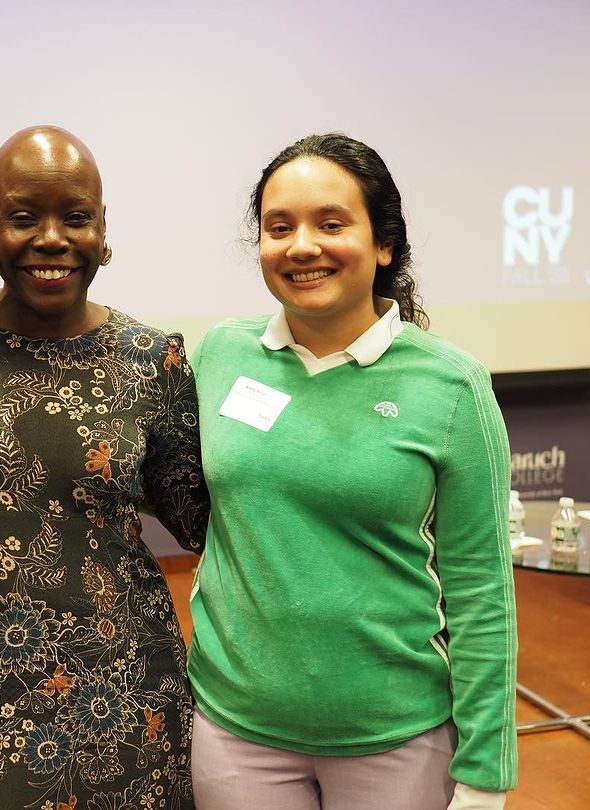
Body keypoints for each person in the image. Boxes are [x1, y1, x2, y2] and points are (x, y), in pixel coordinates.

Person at [187, 133, 517, 810]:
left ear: (384, 242)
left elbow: (481, 592)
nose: (302, 246)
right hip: (236, 735)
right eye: (279, 228)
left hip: (395, 739)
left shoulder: (452, 385)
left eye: (330, 223)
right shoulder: (221, 354)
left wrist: (486, 775)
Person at [0, 126, 210, 809]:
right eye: (23, 217)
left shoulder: (151, 360)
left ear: (103, 231)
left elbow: (206, 525)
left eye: (76, 217)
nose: (51, 238)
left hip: (123, 707)